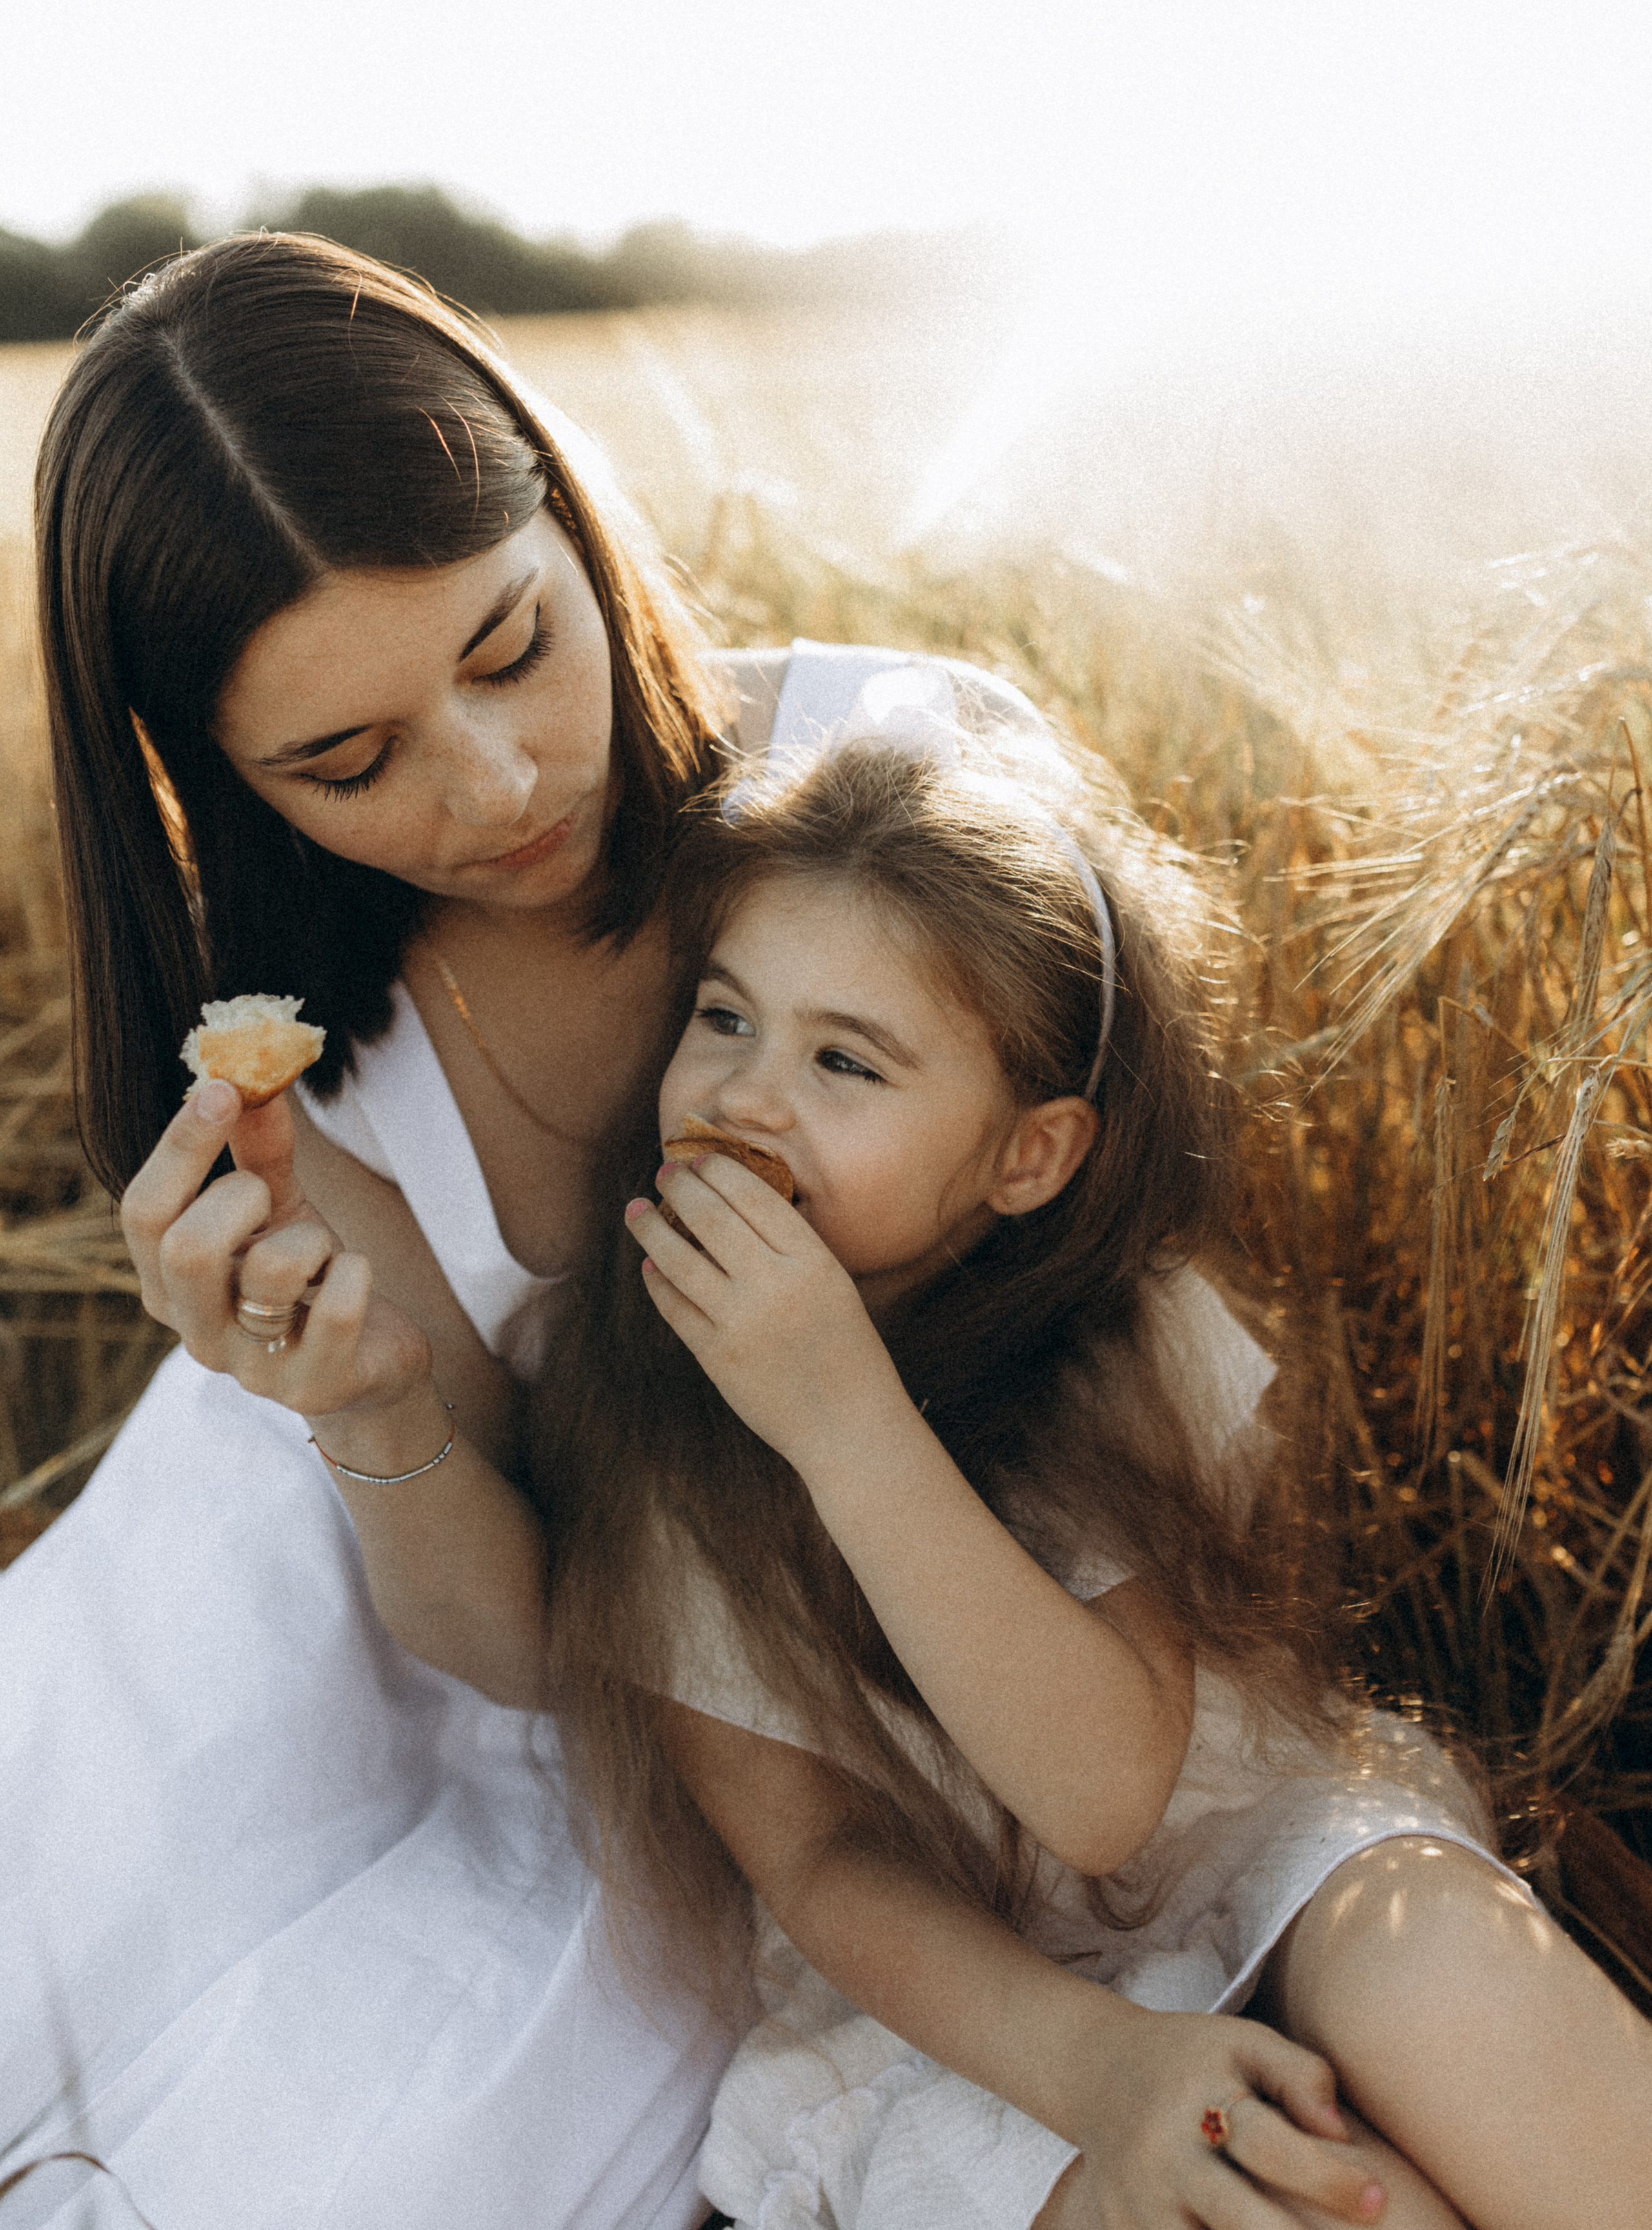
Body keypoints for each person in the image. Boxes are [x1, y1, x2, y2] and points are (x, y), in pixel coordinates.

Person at [158, 723, 1652, 2229]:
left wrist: (842, 1415)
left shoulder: (1115, 1335)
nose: (743, 1096)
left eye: (844, 1061)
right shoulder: (653, 1412)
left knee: (1441, 1976)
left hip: (1238, 1848)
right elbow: (815, 1859)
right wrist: (1108, 2076)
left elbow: (1103, 1796)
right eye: (725, 1019)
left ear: (1026, 1157)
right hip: (972, 2020)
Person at [4, 228, 1044, 2230]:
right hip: (379, 1581)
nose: (495, 787)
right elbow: (519, 1647)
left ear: (569, 512)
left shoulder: (904, 759)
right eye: (348, 762)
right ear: (207, 776)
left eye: (511, 648)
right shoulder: (323, 1070)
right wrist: (360, 1396)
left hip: (759, 1690)